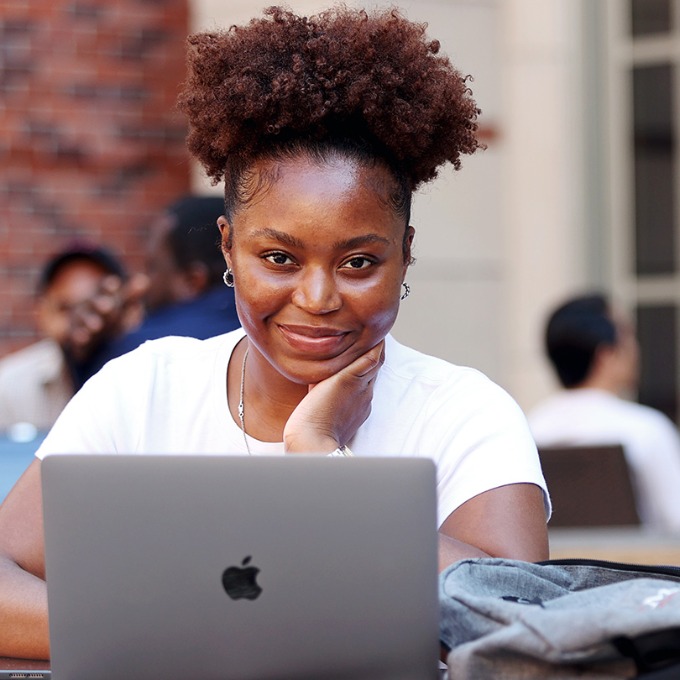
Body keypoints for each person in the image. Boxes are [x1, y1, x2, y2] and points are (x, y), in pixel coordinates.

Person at [0, 5, 550, 661]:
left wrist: (325, 463)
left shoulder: (464, 413)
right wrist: (188, 637)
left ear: (404, 253)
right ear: (228, 249)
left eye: (358, 263)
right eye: (280, 259)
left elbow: (518, 626)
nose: (317, 299)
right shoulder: (143, 388)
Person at [528, 292, 680, 531]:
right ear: (606, 355)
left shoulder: (529, 428)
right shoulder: (646, 429)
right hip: (632, 567)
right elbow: (675, 522)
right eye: (627, 337)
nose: (635, 349)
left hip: (552, 566)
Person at [81, 195, 240, 379]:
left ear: (192, 281)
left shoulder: (139, 352)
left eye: (153, 268)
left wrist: (92, 351)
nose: (142, 283)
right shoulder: (265, 339)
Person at [0, 243, 141, 433]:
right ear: (41, 312)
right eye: (66, 308)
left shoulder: (151, 382)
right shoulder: (9, 387)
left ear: (128, 312)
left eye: (95, 308)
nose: (83, 322)